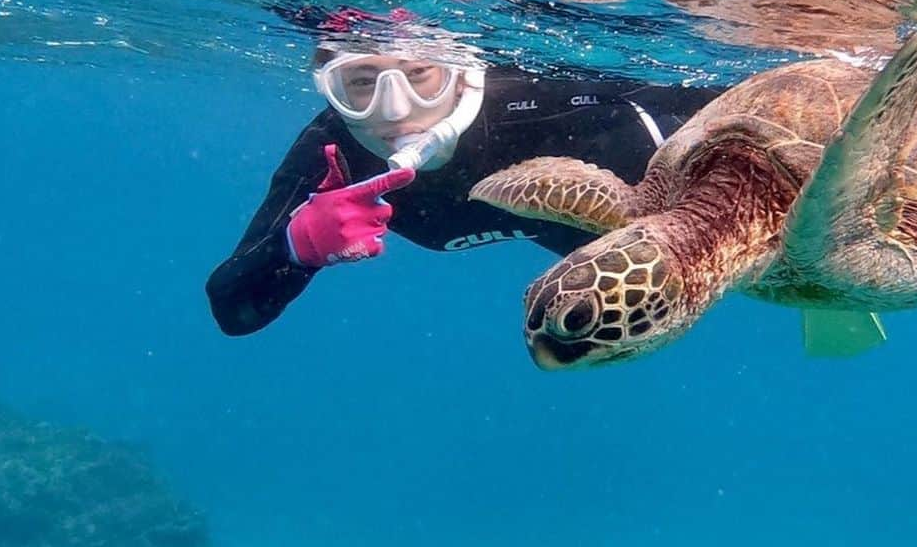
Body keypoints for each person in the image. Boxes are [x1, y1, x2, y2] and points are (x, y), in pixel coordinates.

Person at [206, 37, 721, 337]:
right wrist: (296, 248)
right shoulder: (334, 155)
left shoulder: (551, 99)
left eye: (419, 74)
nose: (395, 109)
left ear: (459, 68)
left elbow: (743, 102)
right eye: (360, 82)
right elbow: (233, 309)